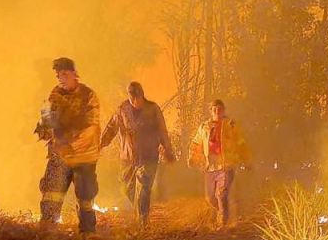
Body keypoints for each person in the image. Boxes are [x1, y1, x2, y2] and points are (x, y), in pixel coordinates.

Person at [34, 57, 101, 234]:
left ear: (74, 74)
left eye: (64, 74)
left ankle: (87, 239)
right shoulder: (55, 94)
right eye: (58, 75)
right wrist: (44, 127)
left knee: (86, 198)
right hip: (60, 154)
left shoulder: (88, 95)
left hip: (83, 156)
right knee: (51, 193)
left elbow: (90, 127)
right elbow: (49, 120)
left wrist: (68, 142)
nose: (61, 78)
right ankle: (47, 234)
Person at [100, 81, 176, 225]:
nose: (135, 101)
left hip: (148, 156)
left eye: (137, 98)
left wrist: (167, 150)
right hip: (127, 157)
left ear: (142, 95)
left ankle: (142, 223)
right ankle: (140, 212)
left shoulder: (152, 109)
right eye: (132, 98)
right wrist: (101, 144)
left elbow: (162, 131)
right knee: (126, 188)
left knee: (143, 188)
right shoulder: (122, 109)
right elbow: (111, 127)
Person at [187, 99, 251, 228]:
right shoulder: (204, 127)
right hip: (210, 167)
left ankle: (223, 223)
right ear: (211, 111)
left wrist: (246, 159)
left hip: (226, 165)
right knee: (210, 198)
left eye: (220, 109)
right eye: (214, 109)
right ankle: (222, 212)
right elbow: (196, 143)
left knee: (221, 194)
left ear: (224, 110)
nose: (217, 111)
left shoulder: (230, 125)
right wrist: (192, 158)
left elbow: (241, 143)